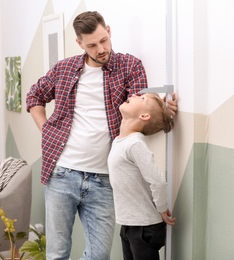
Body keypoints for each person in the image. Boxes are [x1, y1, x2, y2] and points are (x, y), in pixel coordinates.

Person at [26, 11, 177, 260]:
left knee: (99, 255)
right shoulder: (64, 69)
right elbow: (35, 96)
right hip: (61, 173)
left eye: (103, 40)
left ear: (108, 30)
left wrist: (163, 107)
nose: (100, 49)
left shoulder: (130, 66)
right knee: (57, 253)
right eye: (92, 45)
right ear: (79, 44)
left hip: (104, 181)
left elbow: (140, 109)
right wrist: (46, 131)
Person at [107, 93, 176, 260]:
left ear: (144, 116)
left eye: (142, 98)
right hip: (129, 223)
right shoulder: (119, 141)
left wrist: (161, 208)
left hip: (145, 226)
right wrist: (158, 100)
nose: (134, 94)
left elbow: (158, 181)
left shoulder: (135, 144)